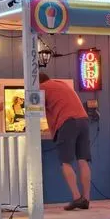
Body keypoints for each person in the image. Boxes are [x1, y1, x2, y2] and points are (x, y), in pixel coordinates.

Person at [39, 73, 91, 211]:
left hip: (67, 123)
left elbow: (34, 111)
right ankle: (86, 198)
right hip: (83, 120)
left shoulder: (41, 88)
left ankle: (76, 197)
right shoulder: (60, 83)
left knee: (65, 162)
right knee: (83, 160)